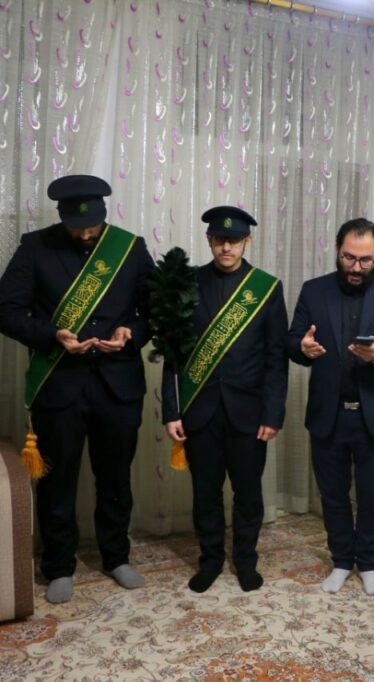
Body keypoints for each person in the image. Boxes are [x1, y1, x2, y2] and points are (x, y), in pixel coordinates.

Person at [0, 174, 154, 604]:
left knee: (115, 477)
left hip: (118, 384)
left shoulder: (129, 247)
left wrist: (130, 332)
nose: (86, 234)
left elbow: (153, 308)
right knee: (57, 480)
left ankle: (116, 556)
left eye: (93, 226)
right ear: (61, 216)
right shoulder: (35, 247)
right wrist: (52, 336)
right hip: (59, 382)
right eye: (77, 227)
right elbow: (6, 310)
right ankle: (59, 566)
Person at [287, 217, 374, 596]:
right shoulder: (314, 291)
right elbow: (292, 340)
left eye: (366, 260)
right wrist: (302, 348)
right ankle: (342, 561)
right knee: (332, 495)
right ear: (337, 250)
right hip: (328, 413)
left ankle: (368, 563)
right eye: (349, 257)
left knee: (372, 496)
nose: (357, 267)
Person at [161, 206, 287, 593]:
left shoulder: (266, 288)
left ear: (247, 241)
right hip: (200, 411)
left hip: (249, 413)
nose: (226, 247)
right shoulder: (186, 284)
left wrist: (273, 413)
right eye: (219, 240)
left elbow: (276, 357)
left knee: (248, 494)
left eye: (233, 240)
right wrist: (172, 409)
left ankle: (245, 561)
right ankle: (211, 560)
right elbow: (173, 354)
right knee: (205, 494)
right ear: (209, 240)